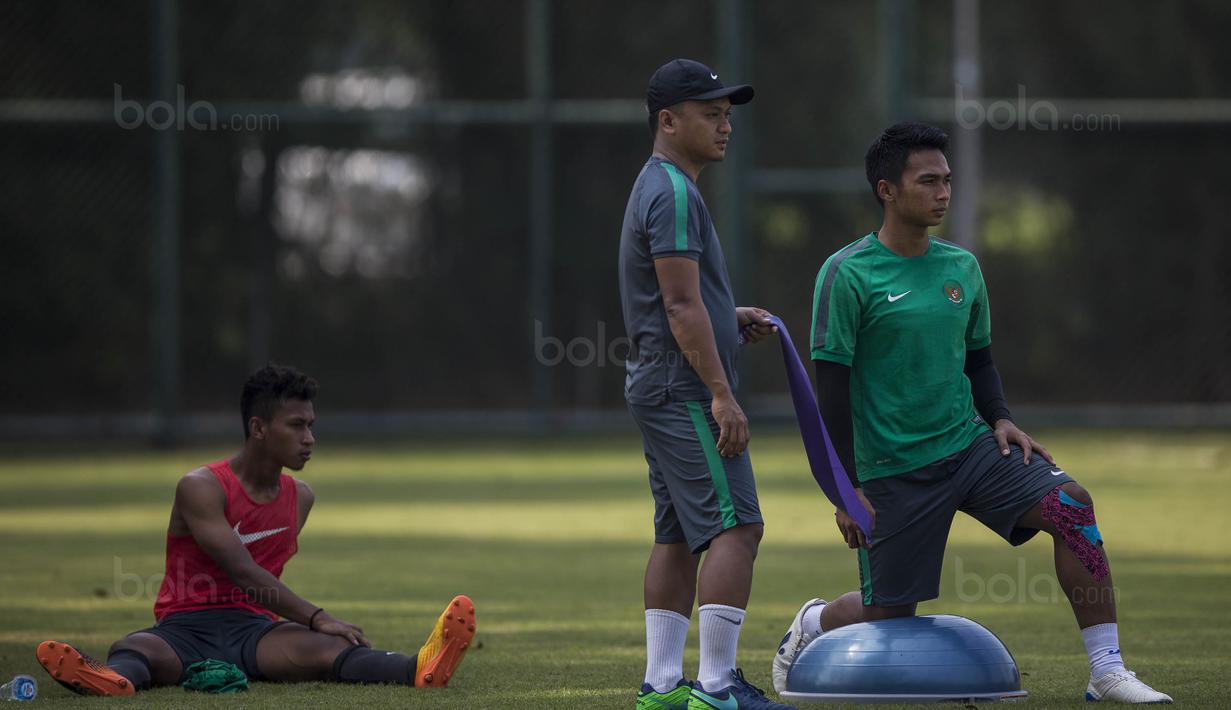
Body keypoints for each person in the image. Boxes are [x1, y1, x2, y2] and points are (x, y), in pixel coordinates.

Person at [770, 122, 1171, 704]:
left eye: (947, 180)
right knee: (889, 611)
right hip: (892, 470)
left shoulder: (962, 268)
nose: (943, 192)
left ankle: (1106, 670)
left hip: (972, 448)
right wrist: (845, 492)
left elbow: (980, 362)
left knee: (1071, 505)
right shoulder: (847, 273)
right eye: (927, 180)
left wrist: (1001, 416)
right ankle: (812, 623)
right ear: (887, 190)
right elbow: (828, 391)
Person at [34, 365, 476, 696]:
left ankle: (419, 666)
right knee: (136, 649)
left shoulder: (300, 496)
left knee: (325, 652)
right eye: (297, 425)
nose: (310, 438)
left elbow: (260, 589)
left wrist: (317, 631)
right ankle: (110, 680)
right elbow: (244, 572)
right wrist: (319, 617)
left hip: (255, 632)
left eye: (312, 426)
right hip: (185, 628)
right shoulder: (201, 487)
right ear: (258, 428)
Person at [619, 58, 793, 710]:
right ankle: (717, 689)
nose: (724, 127)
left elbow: (688, 301)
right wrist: (721, 392)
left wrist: (729, 315)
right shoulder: (673, 192)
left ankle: (662, 689)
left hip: (658, 383)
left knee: (675, 537)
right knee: (736, 529)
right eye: (709, 115)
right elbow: (677, 304)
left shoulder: (657, 185)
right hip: (684, 390)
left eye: (727, 115)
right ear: (668, 121)